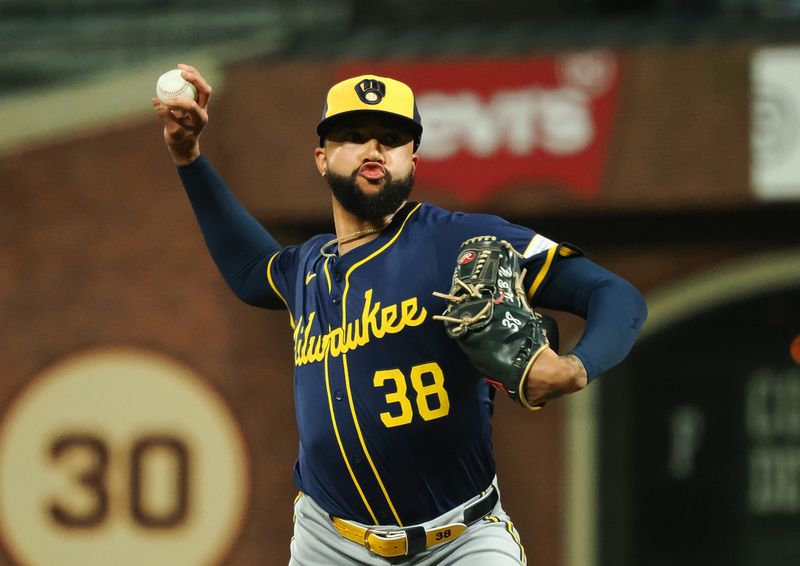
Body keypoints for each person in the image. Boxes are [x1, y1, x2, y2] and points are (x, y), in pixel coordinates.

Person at [153, 64, 647, 565]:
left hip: (459, 540)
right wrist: (188, 156)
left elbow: (615, 293)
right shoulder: (307, 267)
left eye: (392, 138)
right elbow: (250, 268)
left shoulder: (453, 239)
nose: (374, 151)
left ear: (413, 158)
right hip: (330, 541)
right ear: (322, 159)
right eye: (354, 136)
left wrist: (576, 367)